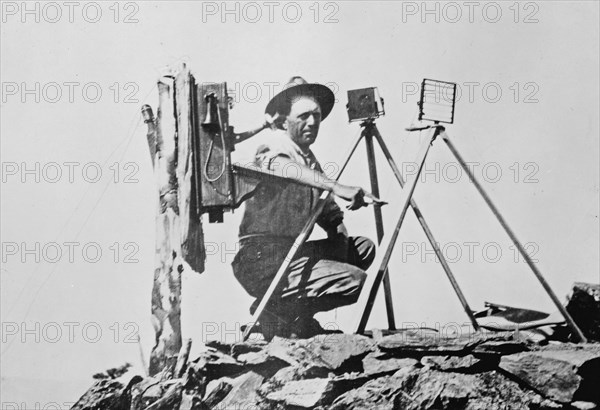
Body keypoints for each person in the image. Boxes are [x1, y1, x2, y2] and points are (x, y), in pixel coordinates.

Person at [231, 76, 376, 340]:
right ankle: (274, 313)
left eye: (317, 116)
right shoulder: (275, 145)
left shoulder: (310, 161)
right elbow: (283, 168)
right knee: (353, 281)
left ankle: (295, 317)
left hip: (292, 252)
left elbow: (330, 213)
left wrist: (339, 234)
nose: (312, 123)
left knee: (362, 248)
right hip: (261, 258)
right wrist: (338, 186)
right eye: (304, 116)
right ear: (284, 121)